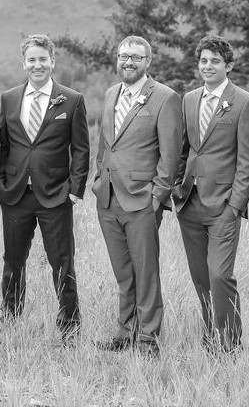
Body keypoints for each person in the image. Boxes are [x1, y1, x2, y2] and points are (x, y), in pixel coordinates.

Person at [0, 34, 89, 346]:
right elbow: (2, 144)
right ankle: (10, 321)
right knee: (13, 262)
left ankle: (69, 327)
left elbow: (81, 149)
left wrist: (75, 190)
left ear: (52, 61)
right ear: (24, 63)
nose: (37, 65)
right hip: (16, 194)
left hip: (55, 195)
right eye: (31, 60)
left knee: (62, 262)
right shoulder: (9, 98)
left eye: (42, 59)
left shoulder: (71, 100)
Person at [93, 35, 182, 356]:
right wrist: (98, 179)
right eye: (124, 56)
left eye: (135, 57)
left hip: (142, 199)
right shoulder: (110, 93)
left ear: (148, 62)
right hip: (108, 197)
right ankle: (125, 332)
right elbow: (105, 145)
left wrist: (156, 197)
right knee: (123, 271)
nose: (128, 62)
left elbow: (170, 156)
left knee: (145, 272)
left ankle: (148, 338)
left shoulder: (164, 98)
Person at [173, 35, 249, 353]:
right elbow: (184, 148)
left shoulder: (244, 102)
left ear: (229, 66)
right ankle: (212, 339)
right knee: (201, 278)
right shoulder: (189, 99)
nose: (208, 66)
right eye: (204, 61)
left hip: (224, 204)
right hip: (190, 203)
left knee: (220, 275)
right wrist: (176, 188)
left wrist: (235, 205)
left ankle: (230, 345)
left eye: (215, 61)